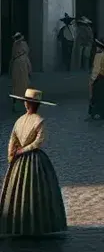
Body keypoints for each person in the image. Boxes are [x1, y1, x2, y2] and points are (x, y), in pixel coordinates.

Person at [1, 88, 67, 237]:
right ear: (37, 105)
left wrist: (12, 156)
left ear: (27, 104)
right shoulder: (39, 121)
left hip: (19, 160)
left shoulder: (19, 120)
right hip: (34, 159)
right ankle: (38, 223)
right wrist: (23, 151)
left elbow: (13, 140)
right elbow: (38, 142)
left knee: (17, 190)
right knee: (39, 189)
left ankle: (17, 223)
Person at [8, 33, 31, 114]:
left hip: (17, 65)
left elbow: (12, 56)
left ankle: (16, 103)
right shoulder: (24, 45)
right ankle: (25, 103)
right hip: (23, 64)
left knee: (16, 83)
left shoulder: (15, 45)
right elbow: (27, 53)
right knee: (23, 83)